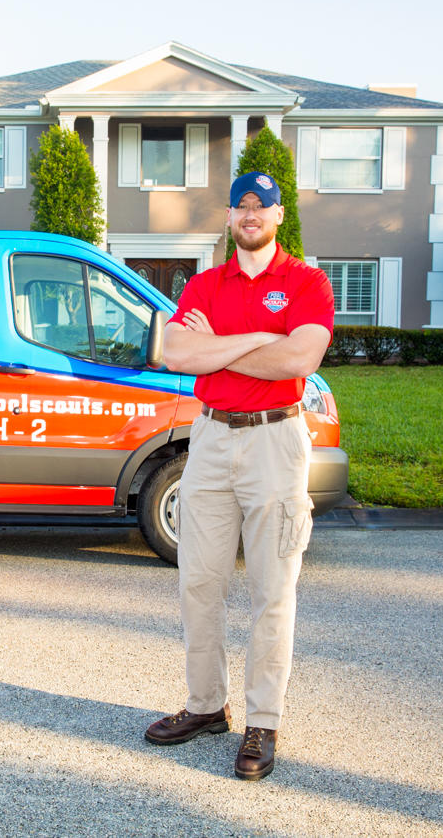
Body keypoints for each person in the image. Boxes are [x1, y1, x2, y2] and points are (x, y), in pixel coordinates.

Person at [144, 171, 334, 781]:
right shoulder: (202, 283)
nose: (251, 214)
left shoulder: (307, 282)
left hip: (277, 439)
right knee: (198, 581)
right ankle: (205, 706)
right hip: (210, 435)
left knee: (272, 590)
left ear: (280, 216)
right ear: (228, 217)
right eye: (241, 205)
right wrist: (260, 342)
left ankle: (263, 721)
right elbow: (177, 354)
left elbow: (300, 357)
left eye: (263, 205)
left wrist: (220, 343)